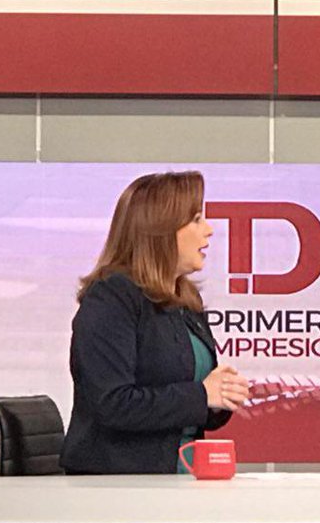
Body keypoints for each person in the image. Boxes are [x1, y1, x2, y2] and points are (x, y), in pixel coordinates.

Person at [61, 171, 250, 474]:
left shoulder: (185, 300)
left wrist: (219, 397)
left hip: (180, 478)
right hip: (120, 485)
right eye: (196, 219)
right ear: (162, 229)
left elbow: (191, 403)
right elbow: (112, 403)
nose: (209, 230)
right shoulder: (112, 297)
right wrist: (202, 395)